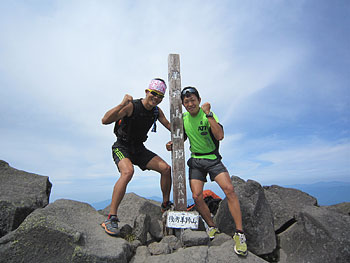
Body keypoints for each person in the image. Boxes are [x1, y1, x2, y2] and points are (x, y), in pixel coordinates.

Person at [166, 86, 248, 256]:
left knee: (229, 190)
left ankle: (240, 234)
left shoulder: (208, 115)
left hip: (212, 159)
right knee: (196, 196)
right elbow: (183, 136)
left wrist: (209, 114)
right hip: (196, 160)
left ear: (199, 100)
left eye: (192, 100)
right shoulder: (184, 117)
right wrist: (172, 144)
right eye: (186, 101)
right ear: (183, 104)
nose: (189, 103)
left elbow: (219, 136)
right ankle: (212, 226)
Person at [101, 78, 173, 236]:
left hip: (139, 149)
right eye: (154, 93)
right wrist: (121, 104)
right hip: (122, 146)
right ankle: (111, 218)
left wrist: (177, 139)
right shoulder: (131, 106)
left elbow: (170, 126)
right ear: (147, 92)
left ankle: (165, 204)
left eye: (160, 96)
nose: (156, 98)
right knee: (127, 172)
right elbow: (105, 120)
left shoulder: (156, 111)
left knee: (166, 169)